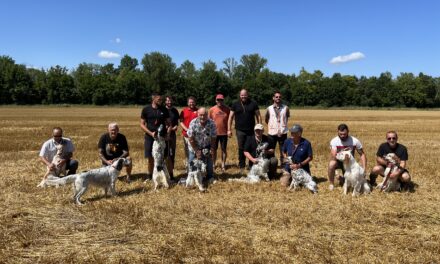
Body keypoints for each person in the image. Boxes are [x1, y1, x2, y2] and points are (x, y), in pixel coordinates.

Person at [228, 89, 261, 172]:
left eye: (245, 95)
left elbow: (258, 115)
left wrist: (259, 126)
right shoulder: (235, 104)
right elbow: (230, 117)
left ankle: (251, 165)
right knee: (241, 148)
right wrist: (229, 129)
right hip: (240, 130)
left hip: (251, 130)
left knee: (252, 147)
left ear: (247, 95)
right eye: (242, 95)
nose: (243, 96)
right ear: (240, 95)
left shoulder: (253, 103)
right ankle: (241, 165)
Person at [140, 93, 171, 180]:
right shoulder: (146, 109)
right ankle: (150, 176)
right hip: (150, 137)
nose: (160, 101)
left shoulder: (164, 109)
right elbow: (142, 124)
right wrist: (151, 133)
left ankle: (163, 175)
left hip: (161, 138)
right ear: (153, 99)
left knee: (163, 158)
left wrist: (168, 134)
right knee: (150, 158)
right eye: (159, 99)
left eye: (161, 99)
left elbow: (169, 124)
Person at [328, 123, 367, 191]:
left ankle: (341, 178)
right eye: (340, 134)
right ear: (338, 132)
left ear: (348, 132)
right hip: (339, 161)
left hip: (349, 163)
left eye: (344, 134)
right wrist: (343, 153)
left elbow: (362, 154)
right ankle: (331, 184)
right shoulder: (334, 141)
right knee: (331, 164)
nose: (342, 136)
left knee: (349, 181)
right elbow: (334, 155)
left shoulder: (355, 141)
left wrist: (364, 168)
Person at [187, 107, 217, 184]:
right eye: (200, 115)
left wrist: (212, 149)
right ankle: (192, 179)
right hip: (194, 146)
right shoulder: (193, 123)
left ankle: (210, 177)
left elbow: (213, 137)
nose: (202, 117)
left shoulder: (212, 123)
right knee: (192, 163)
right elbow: (190, 138)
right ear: (197, 114)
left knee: (209, 162)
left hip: (206, 145)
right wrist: (196, 151)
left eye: (204, 115)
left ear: (207, 115)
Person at [208, 93, 230, 172]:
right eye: (218, 100)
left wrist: (229, 130)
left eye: (221, 100)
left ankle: (223, 164)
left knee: (223, 149)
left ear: (223, 100)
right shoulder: (211, 109)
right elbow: (208, 121)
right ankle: (213, 164)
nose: (219, 101)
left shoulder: (227, 109)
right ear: (216, 100)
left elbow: (229, 121)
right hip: (214, 133)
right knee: (213, 149)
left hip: (224, 133)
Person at [265, 91, 290, 159]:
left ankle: (283, 165)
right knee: (270, 151)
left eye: (279, 97)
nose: (278, 98)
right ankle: (272, 165)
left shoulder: (286, 108)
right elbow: (267, 120)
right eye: (276, 97)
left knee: (283, 151)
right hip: (272, 133)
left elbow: (286, 119)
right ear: (273, 98)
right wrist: (273, 126)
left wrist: (282, 126)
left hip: (283, 132)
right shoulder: (269, 108)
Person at [179, 96, 198, 170]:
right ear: (187, 103)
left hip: (196, 136)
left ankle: (196, 167)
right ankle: (189, 168)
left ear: (195, 103)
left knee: (195, 151)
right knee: (188, 151)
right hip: (186, 135)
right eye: (190, 102)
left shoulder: (198, 111)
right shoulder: (184, 111)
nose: (191, 104)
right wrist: (187, 130)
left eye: (193, 102)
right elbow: (181, 121)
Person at [164, 95, 179, 180]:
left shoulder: (175, 111)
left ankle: (171, 173)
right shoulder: (162, 110)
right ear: (165, 101)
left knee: (172, 153)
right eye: (168, 101)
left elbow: (176, 123)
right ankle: (164, 172)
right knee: (164, 154)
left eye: (170, 101)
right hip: (164, 135)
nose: (169, 102)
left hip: (172, 135)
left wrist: (174, 127)